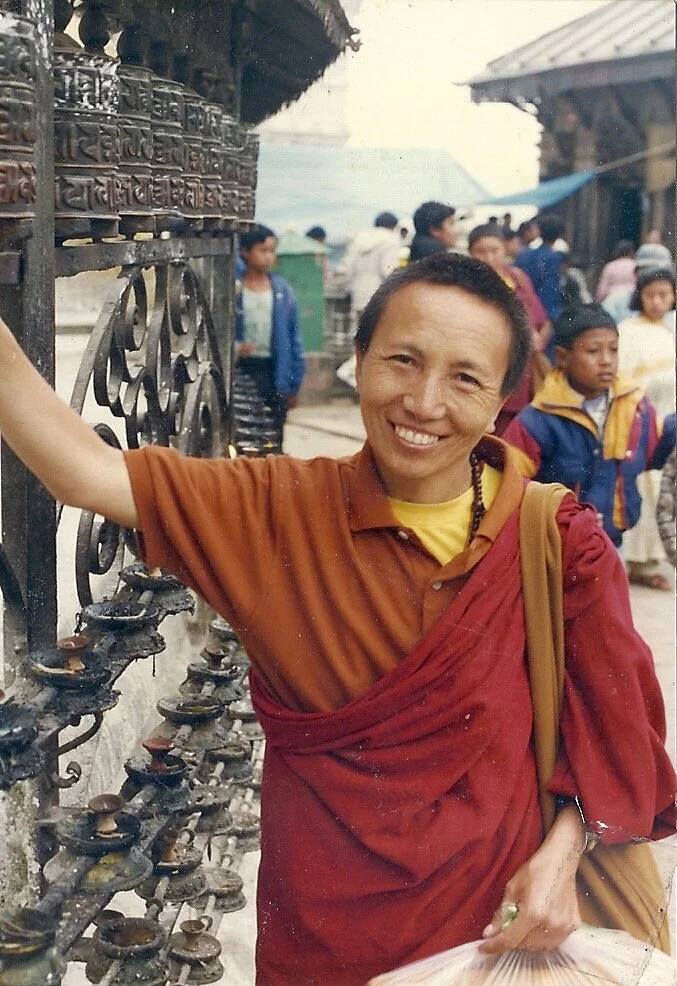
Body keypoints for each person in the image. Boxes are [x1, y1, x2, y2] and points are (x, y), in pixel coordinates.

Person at [0, 254, 674, 986]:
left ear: (502, 401)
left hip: (498, 923)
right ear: (360, 359)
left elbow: (619, 734)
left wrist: (563, 857)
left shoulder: (556, 541)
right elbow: (82, 470)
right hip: (326, 935)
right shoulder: (277, 508)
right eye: (403, 361)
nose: (424, 402)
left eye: (464, 379)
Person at [504, 304, 675, 549]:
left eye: (613, 350)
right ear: (562, 357)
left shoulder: (634, 405)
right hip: (556, 544)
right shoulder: (537, 420)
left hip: (612, 541)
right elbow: (509, 486)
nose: (606, 361)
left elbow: (654, 452)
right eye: (594, 351)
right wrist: (560, 519)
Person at [617, 268, 677, 590]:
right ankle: (634, 562)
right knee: (643, 487)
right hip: (641, 419)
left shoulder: (668, 331)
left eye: (664, 295)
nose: (657, 301)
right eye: (651, 294)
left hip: (670, 419)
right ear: (639, 296)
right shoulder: (628, 332)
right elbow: (622, 379)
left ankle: (654, 560)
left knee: (665, 491)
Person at [467, 223, 548, 435]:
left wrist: (538, 336)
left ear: (505, 249)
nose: (488, 258)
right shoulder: (466, 285)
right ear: (470, 253)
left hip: (519, 366)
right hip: (484, 362)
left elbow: (539, 316)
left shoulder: (517, 279)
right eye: (480, 252)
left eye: (495, 250)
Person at [235, 224, 306, 431]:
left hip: (273, 372)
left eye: (272, 251)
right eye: (262, 250)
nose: (268, 257)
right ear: (245, 252)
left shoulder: (282, 290)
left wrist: (293, 384)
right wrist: (236, 347)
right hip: (242, 369)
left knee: (273, 432)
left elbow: (294, 339)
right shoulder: (235, 288)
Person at [514, 214, 567, 358]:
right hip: (542, 319)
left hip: (519, 313)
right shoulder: (554, 258)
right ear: (559, 235)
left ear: (539, 231)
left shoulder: (523, 255)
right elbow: (550, 294)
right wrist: (547, 326)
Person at [340, 211, 401, 314]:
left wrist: (348, 292)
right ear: (393, 226)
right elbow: (388, 272)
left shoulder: (358, 239)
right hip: (380, 297)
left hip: (358, 295)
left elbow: (349, 270)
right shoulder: (391, 240)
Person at [602, 242, 673, 326]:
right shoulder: (614, 303)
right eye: (646, 270)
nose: (653, 277)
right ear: (635, 272)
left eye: (659, 273)